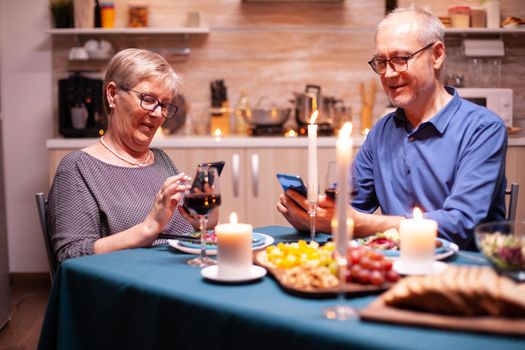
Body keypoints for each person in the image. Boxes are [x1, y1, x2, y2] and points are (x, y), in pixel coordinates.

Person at [277, 7, 507, 250]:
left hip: (463, 274)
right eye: (381, 62)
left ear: (437, 55)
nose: (388, 74)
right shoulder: (382, 131)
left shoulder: (483, 129)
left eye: (400, 59)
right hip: (392, 268)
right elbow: (351, 208)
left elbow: (459, 226)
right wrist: (313, 214)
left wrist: (356, 223)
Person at [48, 48, 217, 262]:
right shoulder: (77, 168)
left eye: (164, 105)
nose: (158, 114)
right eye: (148, 99)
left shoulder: (161, 159)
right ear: (112, 94)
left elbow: (185, 237)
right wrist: (148, 228)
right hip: (126, 290)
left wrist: (206, 222)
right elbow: (70, 256)